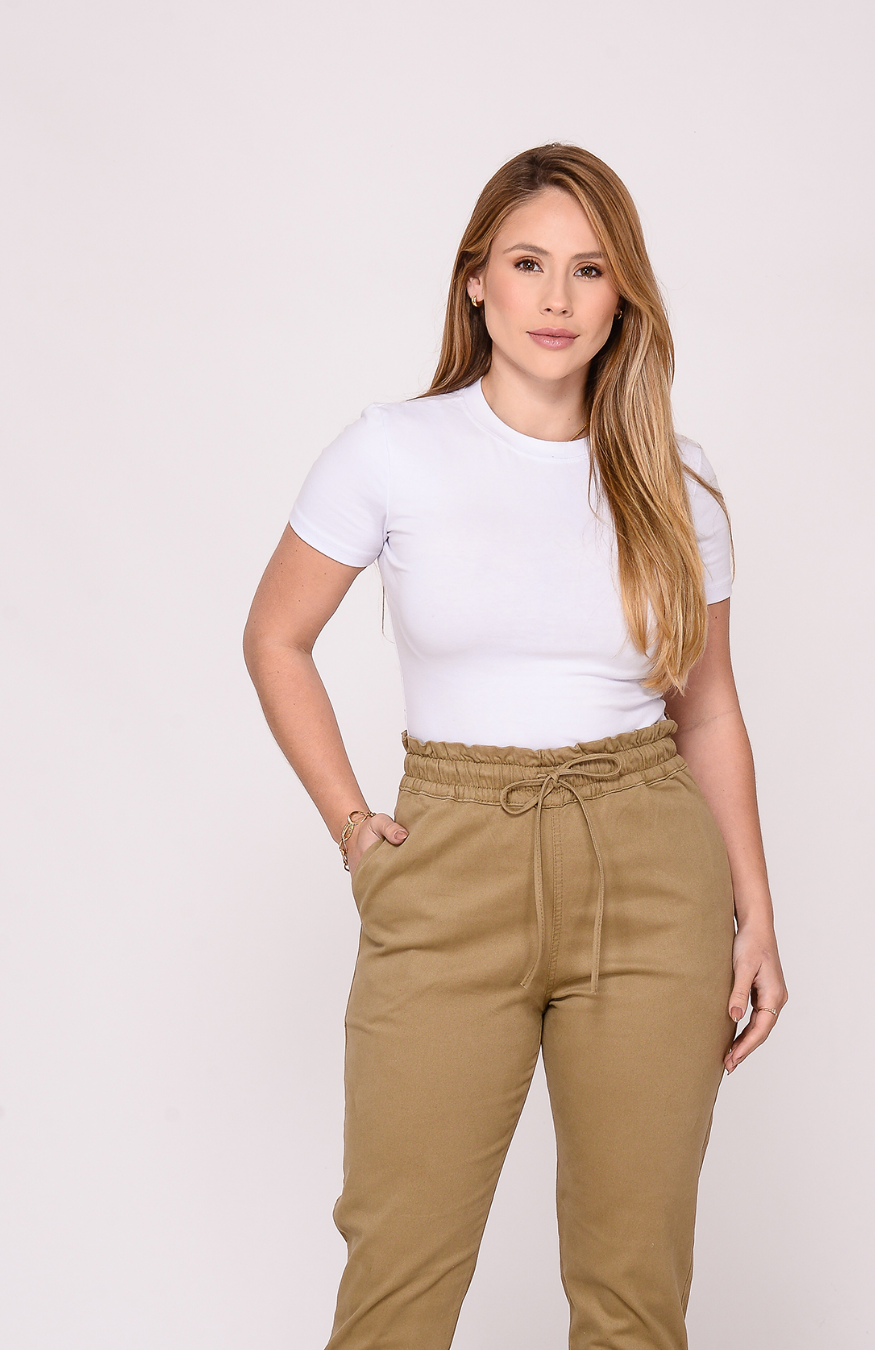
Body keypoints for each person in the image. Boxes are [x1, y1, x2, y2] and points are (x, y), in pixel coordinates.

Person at [243, 142, 788, 1350]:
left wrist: (753, 912)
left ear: (623, 295)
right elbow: (275, 638)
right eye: (529, 263)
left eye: (589, 270)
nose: (556, 298)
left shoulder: (676, 479)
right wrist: (352, 824)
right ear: (476, 280)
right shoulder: (393, 449)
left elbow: (708, 710)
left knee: (634, 1293)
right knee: (398, 1279)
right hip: (450, 862)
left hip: (651, 870)